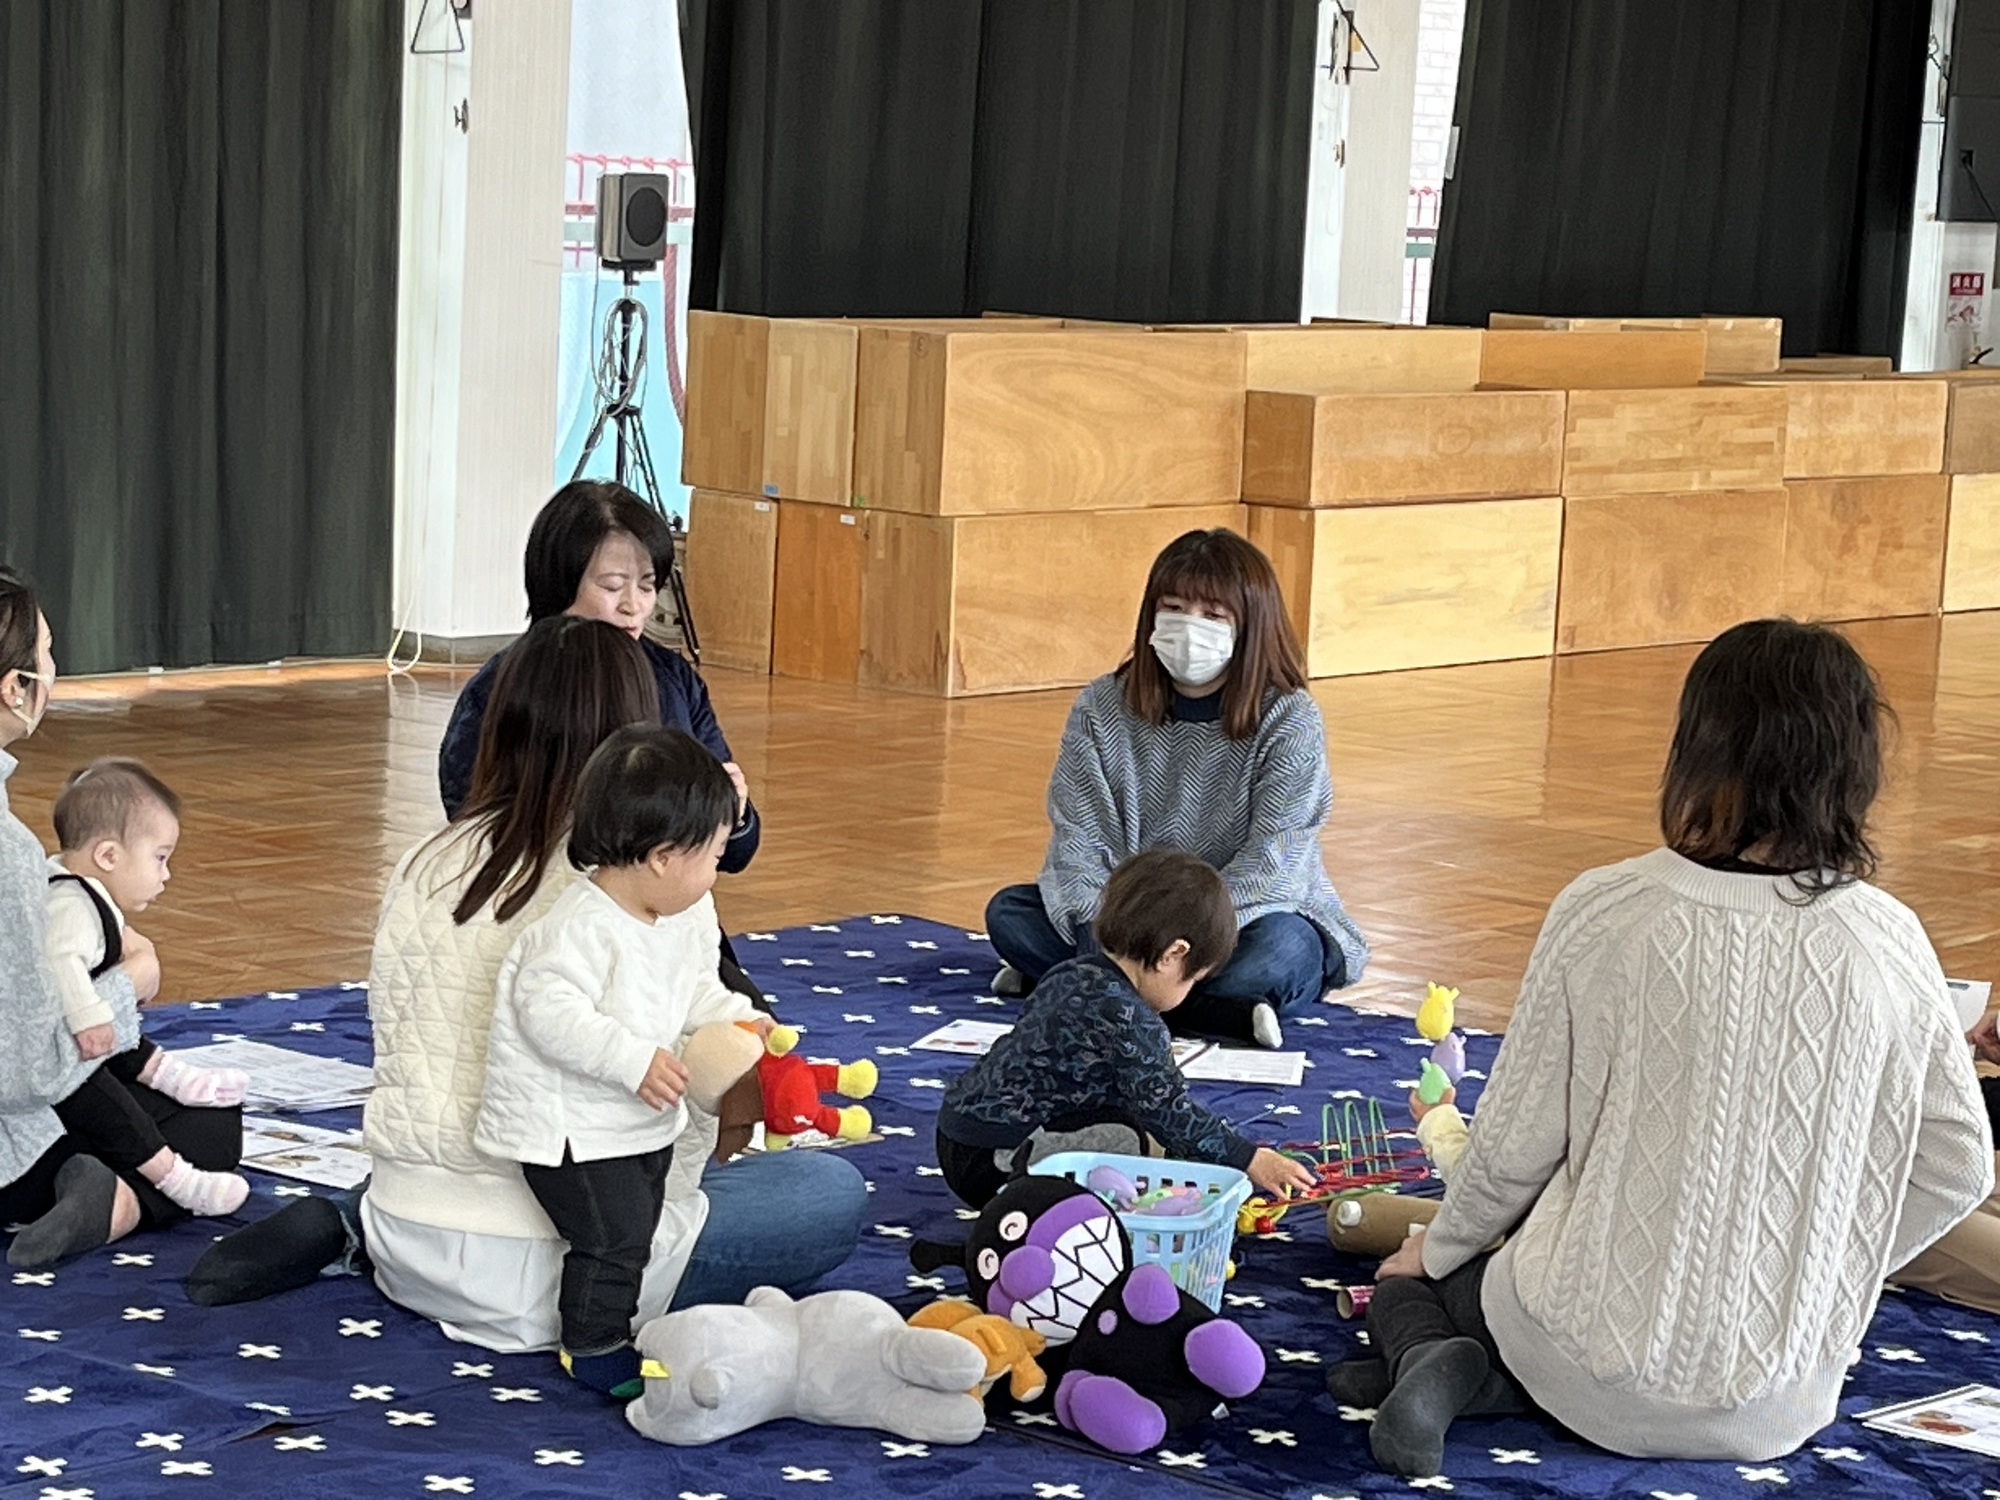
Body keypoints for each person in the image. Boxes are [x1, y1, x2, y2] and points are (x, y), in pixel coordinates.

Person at [1331, 620, 1993, 1478]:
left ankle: (1432, 1356)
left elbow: (1514, 1149)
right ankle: (1468, 1376)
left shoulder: (1603, 908)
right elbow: (1957, 1167)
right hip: (1779, 1402)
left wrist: (1439, 1249)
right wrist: (1826, 1268)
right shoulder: (1888, 940)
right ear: (1857, 766)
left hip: (1580, 1353)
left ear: (1697, 749)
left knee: (1422, 1276)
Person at [188, 615, 867, 1341]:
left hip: (407, 1225)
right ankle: (385, 1230)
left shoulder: (428, 858)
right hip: (570, 1264)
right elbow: (683, 1104)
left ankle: (354, 1218)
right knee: (824, 1193)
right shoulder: (645, 882)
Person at [985, 529, 1366, 1048]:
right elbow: (1078, 840)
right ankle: (1217, 1013)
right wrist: (1120, 932)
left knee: (1284, 950)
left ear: (1251, 625)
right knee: (1012, 914)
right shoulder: (1101, 706)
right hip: (1125, 926)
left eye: (1213, 614)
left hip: (1238, 924)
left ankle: (1087, 987)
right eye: (1174, 608)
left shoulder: (1289, 718)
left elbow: (1275, 859)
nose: (1190, 626)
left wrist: (1181, 941)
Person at [476, 726, 766, 1397]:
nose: (716, 873)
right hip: (570, 1129)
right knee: (613, 1238)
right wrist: (632, 1059)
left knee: (639, 1222)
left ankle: (615, 1325)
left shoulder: (674, 918)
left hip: (631, 1121)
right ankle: (594, 1344)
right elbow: (546, 1010)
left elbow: (693, 989)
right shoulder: (582, 925)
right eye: (713, 857)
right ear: (663, 857)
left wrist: (739, 1017)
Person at [0, 567, 243, 1269]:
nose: (54, 670)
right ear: (15, 688)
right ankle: (116, 1203)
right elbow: (26, 1072)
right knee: (209, 1126)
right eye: (48, 654)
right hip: (14, 1146)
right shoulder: (10, 853)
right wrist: (128, 982)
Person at [438, 481, 764, 1003]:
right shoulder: (505, 685)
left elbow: (736, 849)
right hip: (538, 920)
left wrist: (735, 814)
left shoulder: (672, 679)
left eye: (647, 585)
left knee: (751, 1036)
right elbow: (472, 820)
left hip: (664, 925)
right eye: (613, 585)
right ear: (559, 583)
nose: (634, 606)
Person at [938, 849, 1317, 1209]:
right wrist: (1247, 1158)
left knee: (1130, 1118)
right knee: (1135, 1137)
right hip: (999, 1165)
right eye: (1193, 980)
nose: (1189, 992)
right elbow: (1170, 1114)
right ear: (1174, 955)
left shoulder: (1067, 973)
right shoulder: (1133, 1020)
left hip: (955, 1135)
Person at [47, 759, 250, 1217]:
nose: (166, 874)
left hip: (63, 1061)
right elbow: (61, 967)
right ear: (108, 856)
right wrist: (94, 1015)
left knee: (214, 1121)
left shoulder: (70, 891)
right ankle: (166, 1182)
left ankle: (108, 1195)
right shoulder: (72, 907)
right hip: (55, 1073)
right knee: (114, 1108)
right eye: (159, 857)